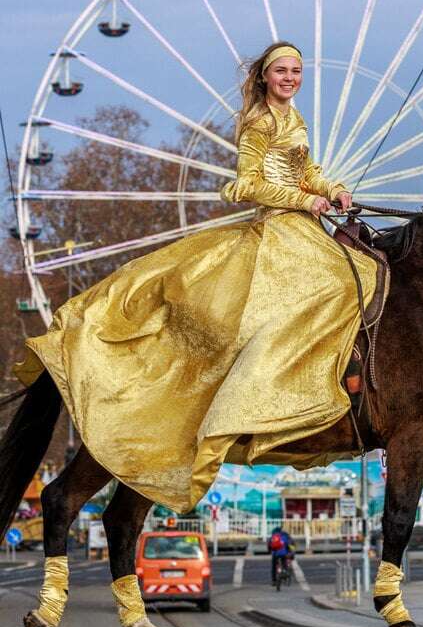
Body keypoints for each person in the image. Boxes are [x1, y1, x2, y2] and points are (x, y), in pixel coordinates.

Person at [11, 41, 379, 514]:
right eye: (282, 71)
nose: (291, 78)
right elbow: (247, 183)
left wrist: (333, 189)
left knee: (361, 275)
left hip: (305, 226)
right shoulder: (258, 121)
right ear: (266, 77)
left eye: (297, 71)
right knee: (327, 289)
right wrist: (302, 201)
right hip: (279, 228)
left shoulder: (293, 118)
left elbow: (305, 169)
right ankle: (275, 389)